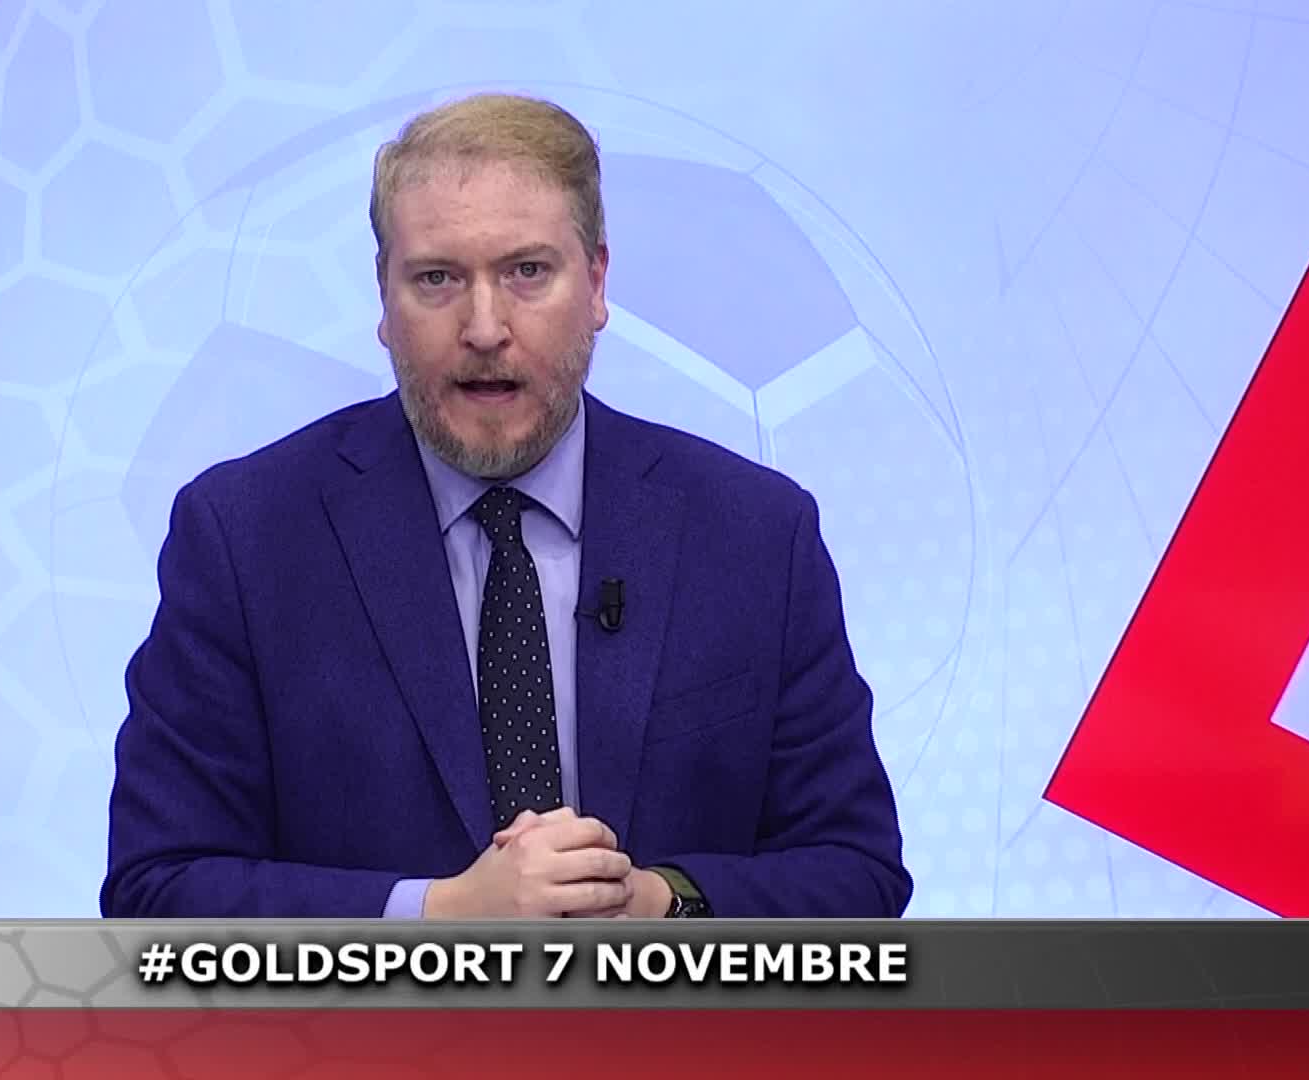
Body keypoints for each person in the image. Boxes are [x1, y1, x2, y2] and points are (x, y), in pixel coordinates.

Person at [102, 93, 910, 919]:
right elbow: (156, 892)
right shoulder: (245, 538)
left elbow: (857, 875)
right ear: (383, 299)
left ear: (596, 283)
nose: (484, 327)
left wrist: (658, 905)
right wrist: (436, 917)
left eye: (527, 272)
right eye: (437, 279)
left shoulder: (755, 536)